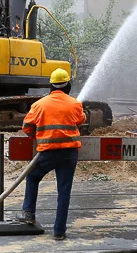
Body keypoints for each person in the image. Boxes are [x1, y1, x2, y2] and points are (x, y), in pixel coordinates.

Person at [16, 68, 86, 240]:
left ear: (51, 86)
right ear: (68, 85)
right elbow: (81, 119)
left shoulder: (39, 105)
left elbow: (26, 127)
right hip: (69, 154)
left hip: (47, 153)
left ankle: (29, 214)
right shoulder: (75, 103)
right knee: (64, 191)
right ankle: (59, 232)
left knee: (32, 178)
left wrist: (36, 135)